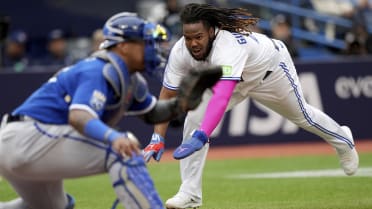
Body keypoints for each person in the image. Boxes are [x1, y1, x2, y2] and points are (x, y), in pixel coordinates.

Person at [143, 3, 359, 209]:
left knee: (304, 117)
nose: (193, 43)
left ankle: (343, 140)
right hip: (231, 82)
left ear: (211, 31)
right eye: (188, 38)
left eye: (198, 37)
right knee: (193, 118)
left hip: (269, 74)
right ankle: (189, 194)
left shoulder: (227, 46)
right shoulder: (181, 51)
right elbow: (167, 94)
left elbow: (222, 96)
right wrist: (157, 138)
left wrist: (202, 136)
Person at [0, 12, 216, 209]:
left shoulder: (130, 78)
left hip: (22, 145)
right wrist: (113, 137)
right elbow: (79, 117)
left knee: (54, 206)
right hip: (27, 138)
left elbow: (152, 113)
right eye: (145, 42)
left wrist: (180, 105)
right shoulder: (99, 68)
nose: (152, 48)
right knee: (124, 152)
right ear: (123, 46)